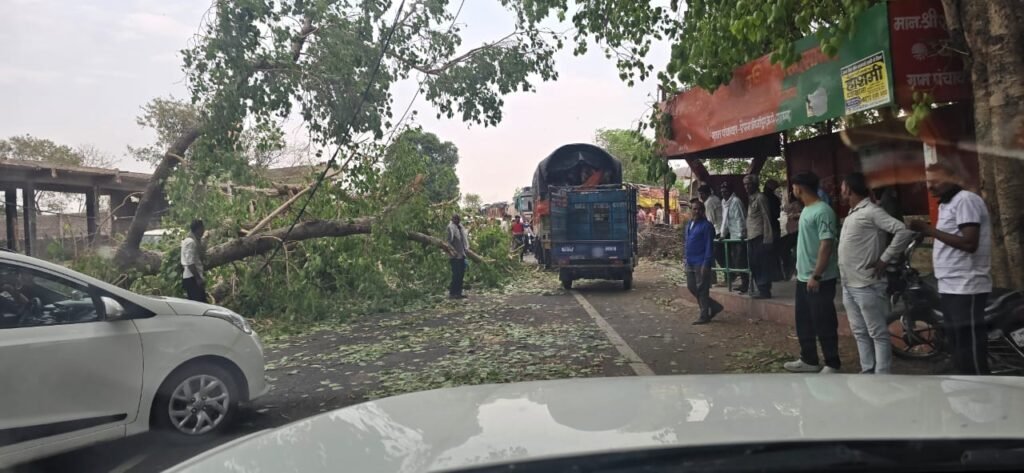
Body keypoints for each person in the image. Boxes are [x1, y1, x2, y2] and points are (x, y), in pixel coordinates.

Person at [910, 162, 992, 375]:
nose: (930, 186)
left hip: (967, 285)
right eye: (928, 181)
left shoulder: (965, 200)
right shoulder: (947, 204)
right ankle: (965, 388)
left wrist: (930, 230)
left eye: (936, 180)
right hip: (950, 286)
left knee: (970, 344)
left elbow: (969, 243)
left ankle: (980, 390)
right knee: (957, 342)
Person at [838, 172, 915, 374]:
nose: (840, 190)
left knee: (877, 332)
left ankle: (882, 375)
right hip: (849, 284)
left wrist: (884, 258)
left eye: (842, 186)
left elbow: (903, 231)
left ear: (848, 189)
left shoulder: (871, 211)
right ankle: (867, 370)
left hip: (867, 284)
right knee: (860, 332)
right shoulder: (853, 213)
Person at [784, 172, 841, 373]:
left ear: (799, 187)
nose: (793, 190)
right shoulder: (807, 210)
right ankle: (809, 359)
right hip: (803, 277)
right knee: (804, 321)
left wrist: (816, 274)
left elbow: (827, 244)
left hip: (820, 278)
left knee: (824, 320)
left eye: (793, 187)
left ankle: (832, 363)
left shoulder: (823, 211)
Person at [685, 199, 724, 325]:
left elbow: (709, 246)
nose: (696, 211)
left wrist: (706, 263)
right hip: (690, 261)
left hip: (700, 262)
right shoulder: (689, 224)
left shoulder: (707, 226)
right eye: (694, 209)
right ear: (691, 210)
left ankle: (704, 315)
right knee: (691, 286)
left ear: (703, 211)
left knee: (702, 288)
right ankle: (714, 306)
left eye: (699, 209)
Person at [743, 174, 776, 299]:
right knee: (754, 263)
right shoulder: (751, 198)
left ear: (756, 184)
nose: (746, 187)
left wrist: (768, 239)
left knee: (761, 263)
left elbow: (766, 218)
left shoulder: (761, 198)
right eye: (745, 184)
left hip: (760, 236)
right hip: (751, 236)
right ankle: (760, 288)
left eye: (749, 184)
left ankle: (764, 290)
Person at [719, 182, 749, 293]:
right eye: (722, 192)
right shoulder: (724, 202)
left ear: (731, 191)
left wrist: (742, 234)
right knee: (736, 261)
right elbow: (725, 219)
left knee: (741, 261)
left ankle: (746, 284)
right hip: (732, 235)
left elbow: (740, 218)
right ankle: (743, 283)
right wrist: (723, 234)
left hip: (740, 236)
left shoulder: (736, 201)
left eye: (726, 191)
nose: (724, 194)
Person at [698, 185, 725, 283]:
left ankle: (727, 276)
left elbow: (710, 221)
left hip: (717, 231)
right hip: (722, 229)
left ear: (706, 193)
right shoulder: (716, 199)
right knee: (722, 255)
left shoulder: (709, 203)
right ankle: (727, 275)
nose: (701, 196)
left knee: (716, 255)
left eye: (701, 194)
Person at [181, 219, 207, 302]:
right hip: (192, 278)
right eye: (203, 228)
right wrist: (198, 278)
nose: (203, 231)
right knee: (200, 305)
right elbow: (190, 263)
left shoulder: (193, 240)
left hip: (192, 277)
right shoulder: (190, 242)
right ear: (199, 229)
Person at [780, 193, 803, 280]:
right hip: (790, 231)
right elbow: (785, 209)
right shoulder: (790, 205)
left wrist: (793, 215)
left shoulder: (797, 204)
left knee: (785, 249)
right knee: (783, 247)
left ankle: (791, 270)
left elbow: (801, 213)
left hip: (796, 231)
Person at [446, 214, 469, 299]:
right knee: (456, 274)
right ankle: (453, 293)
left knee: (461, 275)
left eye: (458, 219)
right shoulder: (450, 228)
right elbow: (448, 242)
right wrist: (452, 252)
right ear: (452, 220)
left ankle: (458, 292)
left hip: (462, 254)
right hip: (454, 256)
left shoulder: (460, 228)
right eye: (455, 219)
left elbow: (464, 240)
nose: (457, 221)